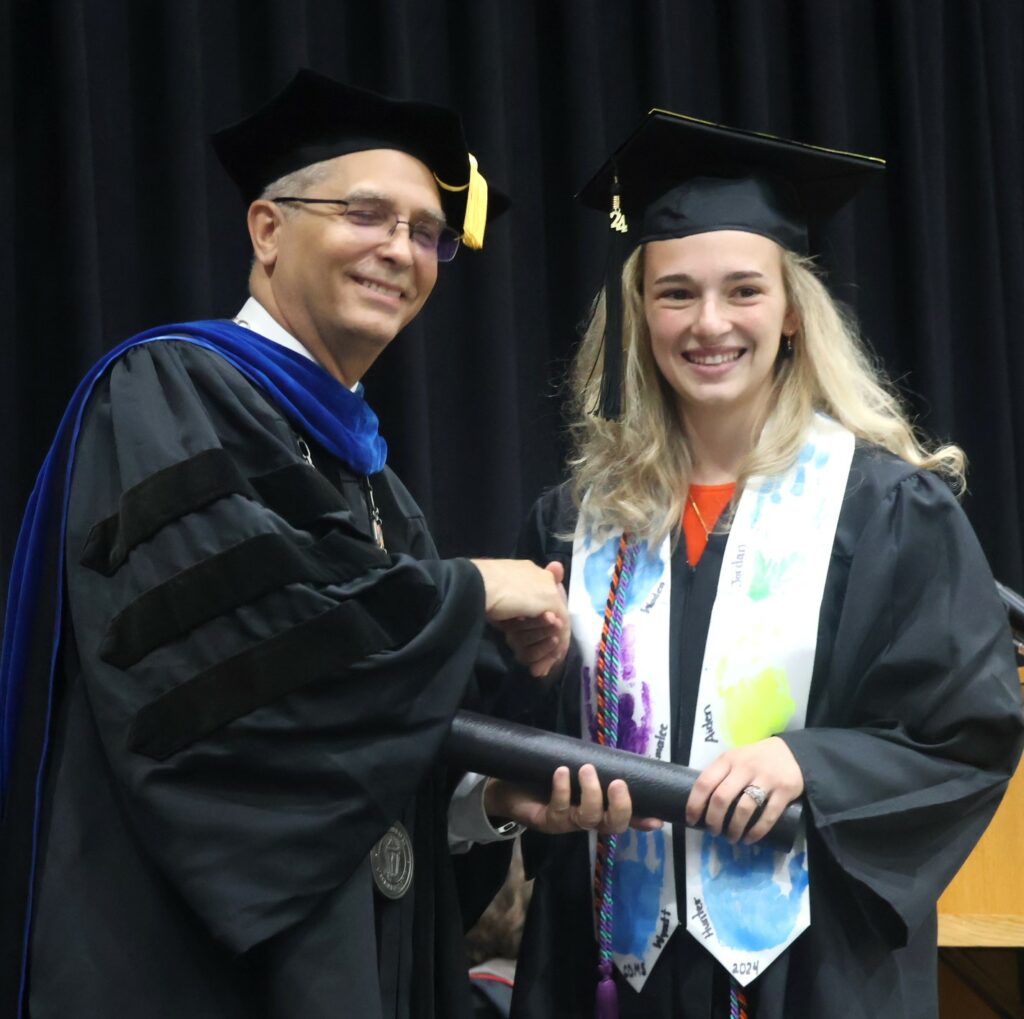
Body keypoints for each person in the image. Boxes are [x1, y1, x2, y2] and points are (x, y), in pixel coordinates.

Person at [0, 69, 600, 1019]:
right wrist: (470, 591)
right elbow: (244, 687)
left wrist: (480, 804)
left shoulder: (380, 489)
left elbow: (352, 742)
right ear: (267, 230)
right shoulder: (170, 394)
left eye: (426, 231)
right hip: (182, 973)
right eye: (367, 213)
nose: (400, 250)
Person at [499, 111, 1024, 1019]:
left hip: (813, 973)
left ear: (790, 313)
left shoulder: (884, 507)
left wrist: (809, 764)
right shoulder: (577, 524)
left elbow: (963, 730)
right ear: (638, 313)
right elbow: (514, 738)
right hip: (608, 970)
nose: (710, 324)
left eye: (744, 290)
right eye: (675, 294)